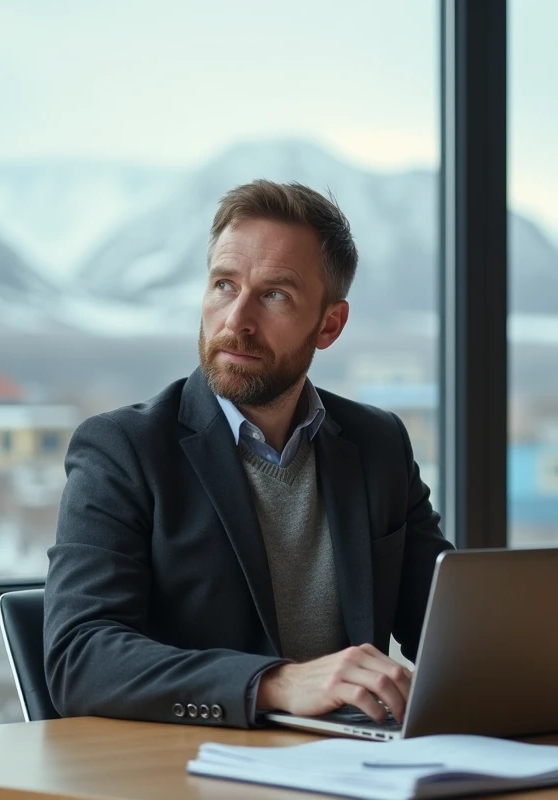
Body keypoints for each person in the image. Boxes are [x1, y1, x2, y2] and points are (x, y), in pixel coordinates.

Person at [43, 179, 453, 730]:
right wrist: (275, 683)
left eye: (275, 294)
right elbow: (80, 658)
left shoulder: (378, 444)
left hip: (356, 769)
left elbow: (448, 627)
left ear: (329, 324)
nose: (237, 320)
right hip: (190, 774)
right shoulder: (122, 450)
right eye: (223, 285)